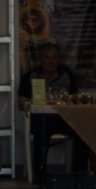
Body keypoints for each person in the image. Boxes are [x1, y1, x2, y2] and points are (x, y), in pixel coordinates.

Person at [17, 43, 81, 179]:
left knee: (83, 132)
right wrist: (33, 103)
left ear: (59, 60)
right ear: (40, 60)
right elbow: (21, 103)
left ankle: (79, 173)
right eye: (46, 58)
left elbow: (76, 99)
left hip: (63, 118)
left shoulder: (67, 75)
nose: (50, 62)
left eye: (54, 58)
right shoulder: (30, 76)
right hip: (40, 119)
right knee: (41, 129)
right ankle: (39, 173)